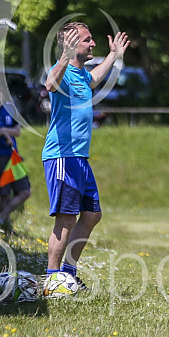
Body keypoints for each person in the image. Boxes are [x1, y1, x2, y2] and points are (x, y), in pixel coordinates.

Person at [42, 21, 129, 291]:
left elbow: (94, 79)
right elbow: (50, 83)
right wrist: (64, 58)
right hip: (62, 156)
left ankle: (68, 273)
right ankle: (52, 278)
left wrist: (114, 56)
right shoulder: (64, 71)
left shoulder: (81, 74)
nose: (93, 44)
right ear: (70, 44)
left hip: (80, 157)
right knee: (66, 218)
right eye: (87, 40)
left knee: (92, 214)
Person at [0, 97, 31, 230]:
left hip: (13, 156)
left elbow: (18, 131)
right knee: (5, 196)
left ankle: (1, 219)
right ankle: (4, 226)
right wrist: (0, 133)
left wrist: (3, 131)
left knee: (25, 192)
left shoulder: (10, 109)